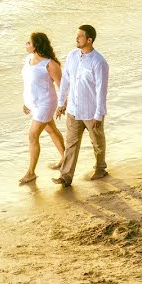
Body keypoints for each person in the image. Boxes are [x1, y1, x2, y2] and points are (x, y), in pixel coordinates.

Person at [52, 24, 109, 187]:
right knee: (71, 144)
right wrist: (61, 103)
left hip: (91, 112)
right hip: (73, 110)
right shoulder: (72, 56)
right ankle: (65, 177)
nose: (76, 38)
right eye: (76, 35)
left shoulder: (99, 62)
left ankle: (100, 168)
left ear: (89, 40)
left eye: (80, 36)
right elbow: (66, 80)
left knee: (97, 142)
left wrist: (99, 114)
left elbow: (101, 90)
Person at [19, 32, 66, 185]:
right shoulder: (28, 60)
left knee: (33, 135)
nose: (26, 45)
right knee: (51, 129)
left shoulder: (50, 64)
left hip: (46, 103)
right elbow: (28, 83)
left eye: (28, 42)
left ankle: (31, 173)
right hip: (34, 103)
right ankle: (65, 159)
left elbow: (62, 87)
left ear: (36, 46)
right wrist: (27, 102)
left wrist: (62, 105)